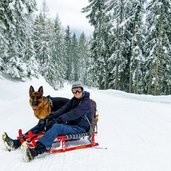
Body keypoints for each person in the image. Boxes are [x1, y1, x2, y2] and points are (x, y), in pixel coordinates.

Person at [3, 83, 92, 161]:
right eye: (74, 90)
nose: (76, 92)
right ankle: (16, 143)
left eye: (78, 90)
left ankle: (35, 151)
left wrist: (57, 120)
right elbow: (63, 110)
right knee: (43, 123)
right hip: (71, 125)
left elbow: (73, 114)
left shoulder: (86, 102)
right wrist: (48, 117)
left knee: (57, 127)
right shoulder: (74, 100)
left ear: (82, 90)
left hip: (80, 128)